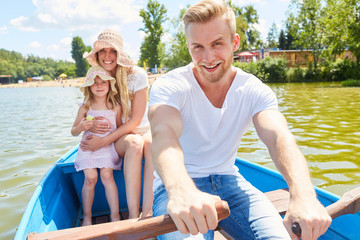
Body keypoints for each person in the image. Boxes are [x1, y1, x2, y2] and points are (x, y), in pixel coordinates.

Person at [148, 0, 332, 239]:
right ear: (188, 46)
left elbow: (279, 138)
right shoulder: (170, 86)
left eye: (217, 44)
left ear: (234, 43)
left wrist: (303, 194)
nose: (208, 57)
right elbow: (164, 134)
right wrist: (181, 190)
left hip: (229, 181)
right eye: (198, 47)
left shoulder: (254, 90)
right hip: (176, 187)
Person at [81, 29, 154, 219]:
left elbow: (136, 120)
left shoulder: (137, 75)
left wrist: (102, 142)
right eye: (102, 51)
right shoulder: (99, 78)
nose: (107, 56)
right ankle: (132, 215)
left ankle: (147, 213)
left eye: (112, 51)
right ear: (97, 55)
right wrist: (91, 125)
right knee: (134, 143)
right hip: (120, 137)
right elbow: (90, 109)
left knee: (151, 143)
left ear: (120, 54)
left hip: (141, 130)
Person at [71, 66, 122, 226]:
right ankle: (87, 216)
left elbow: (120, 128)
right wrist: (82, 127)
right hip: (88, 147)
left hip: (107, 146)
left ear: (109, 85)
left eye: (103, 82)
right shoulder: (86, 107)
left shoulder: (115, 106)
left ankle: (114, 215)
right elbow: (73, 131)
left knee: (107, 175)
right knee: (91, 177)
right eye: (95, 83)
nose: (99, 86)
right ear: (89, 86)